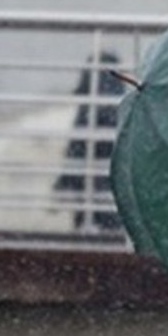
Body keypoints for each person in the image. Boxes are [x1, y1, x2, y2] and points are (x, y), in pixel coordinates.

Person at [53, 51, 125, 232]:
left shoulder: (88, 110)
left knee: (90, 224)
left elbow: (76, 151)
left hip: (90, 195)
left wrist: (62, 186)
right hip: (116, 197)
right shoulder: (121, 109)